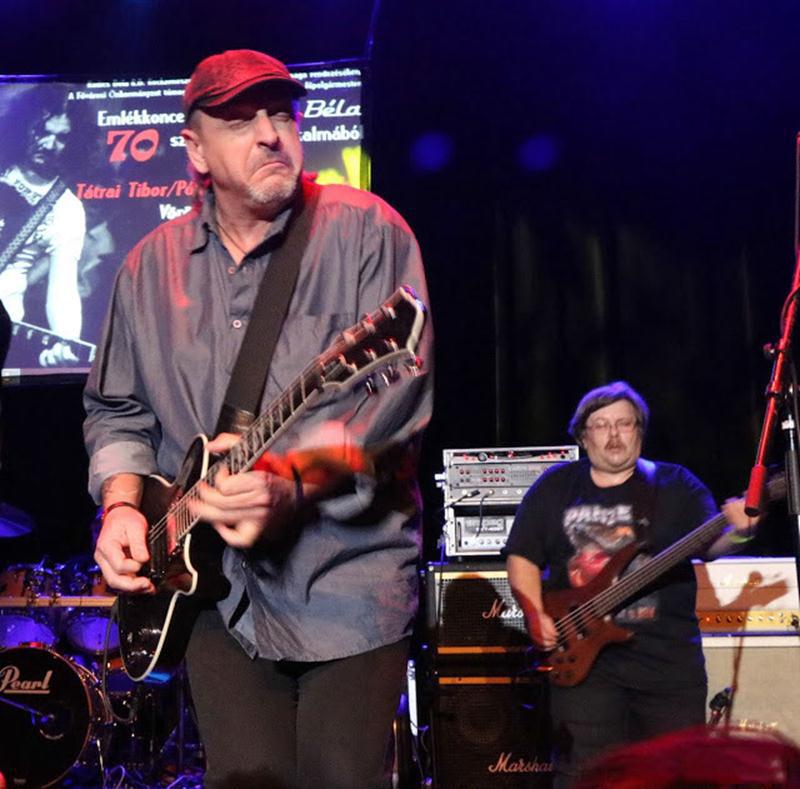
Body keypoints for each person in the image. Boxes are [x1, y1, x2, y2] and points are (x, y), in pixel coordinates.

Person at [83, 49, 433, 789]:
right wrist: (121, 507)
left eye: (281, 115)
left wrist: (293, 479)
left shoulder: (367, 232)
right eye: (242, 121)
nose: (271, 133)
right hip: (210, 591)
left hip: (347, 578)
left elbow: (393, 409)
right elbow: (118, 409)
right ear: (195, 148)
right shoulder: (147, 268)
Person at [503, 381, 758, 788]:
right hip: (585, 668)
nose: (614, 435)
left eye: (624, 423)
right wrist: (534, 614)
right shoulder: (554, 487)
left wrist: (742, 532)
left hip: (668, 667)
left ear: (640, 431)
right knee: (586, 777)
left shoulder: (676, 485)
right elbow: (522, 556)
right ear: (583, 436)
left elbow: (714, 547)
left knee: (676, 777)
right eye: (601, 425)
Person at [0, 89, 84, 366]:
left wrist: (65, 341)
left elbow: (64, 289)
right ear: (23, 126)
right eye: (41, 132)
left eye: (62, 138)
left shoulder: (67, 208)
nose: (49, 144)